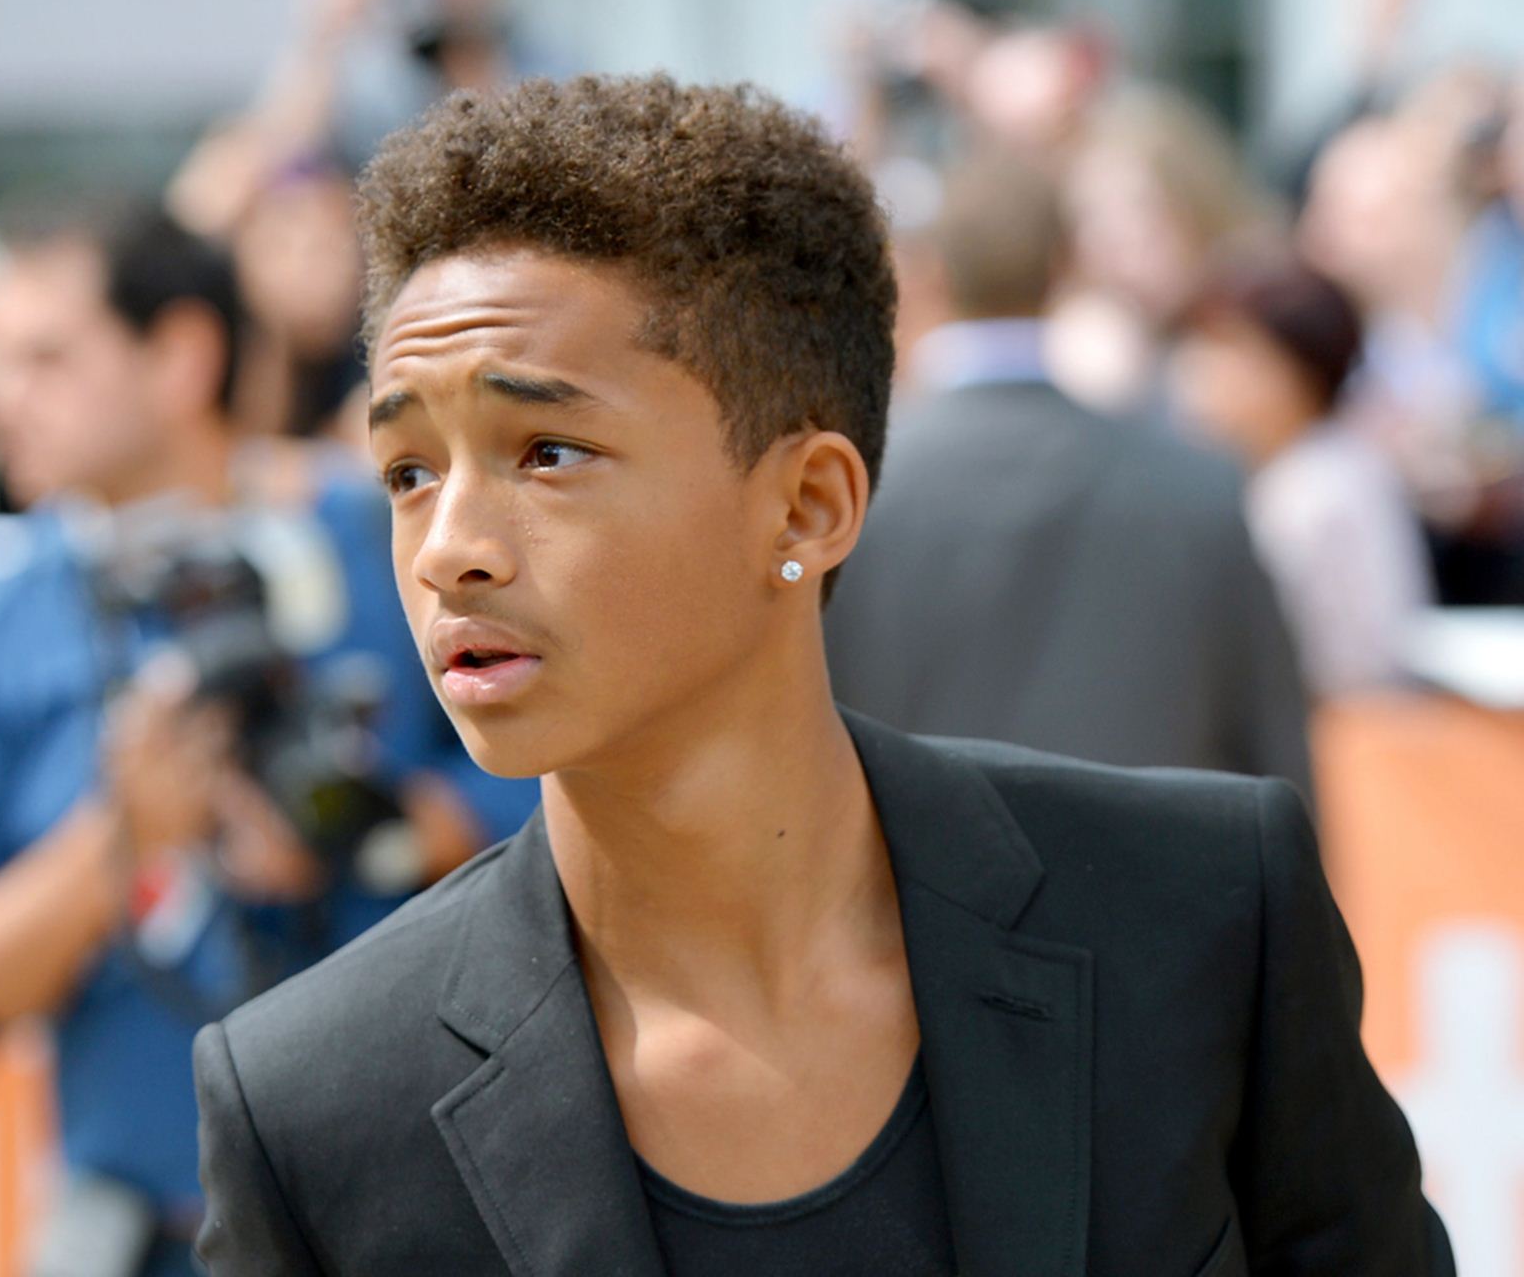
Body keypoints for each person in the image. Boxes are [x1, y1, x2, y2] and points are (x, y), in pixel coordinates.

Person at [192, 75, 1451, 1275]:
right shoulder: (312, 1105)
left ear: (806, 505)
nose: (448, 549)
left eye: (548, 450)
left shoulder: (1201, 916)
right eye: (408, 471)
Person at [0, 202, 532, 1277]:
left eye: (45, 357)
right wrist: (123, 835)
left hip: (428, 1202)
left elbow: (577, 786)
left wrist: (384, 832)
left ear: (180, 355)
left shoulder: (389, 542)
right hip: (147, 1221)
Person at [826, 152, 1315, 798]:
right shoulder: (1199, 487)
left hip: (915, 859)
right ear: (1069, 265)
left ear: (929, 272)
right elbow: (1275, 758)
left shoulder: (845, 493)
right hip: (1148, 861)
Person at [1174, 256, 1433, 699]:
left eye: (1228, 351)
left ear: (1294, 374)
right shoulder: (1279, 470)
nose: (1198, 374)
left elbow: (1347, 670)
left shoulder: (1321, 488)